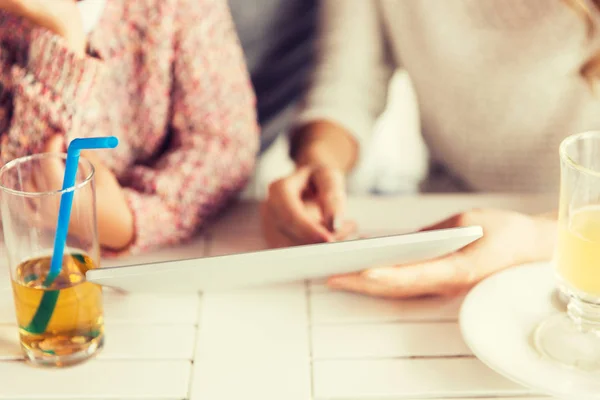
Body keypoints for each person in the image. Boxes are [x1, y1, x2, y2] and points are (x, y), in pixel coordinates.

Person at [261, 0, 600, 298]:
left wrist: (534, 238)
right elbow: (348, 87)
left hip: (579, 241)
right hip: (444, 221)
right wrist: (319, 162)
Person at [0, 0, 259, 254]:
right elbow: (18, 192)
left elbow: (226, 148)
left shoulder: (176, 8)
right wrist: (62, 26)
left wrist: (128, 220)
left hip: (155, 259)